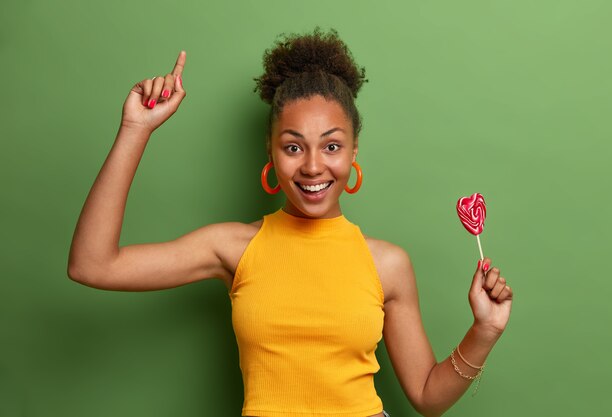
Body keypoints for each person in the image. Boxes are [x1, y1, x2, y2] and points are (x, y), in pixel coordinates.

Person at [67, 27, 513, 417]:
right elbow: (92, 265)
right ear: (271, 152)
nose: (314, 166)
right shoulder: (233, 247)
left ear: (354, 152)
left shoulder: (387, 264)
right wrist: (135, 128)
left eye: (332, 146)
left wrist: (485, 330)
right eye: (294, 147)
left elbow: (426, 396)